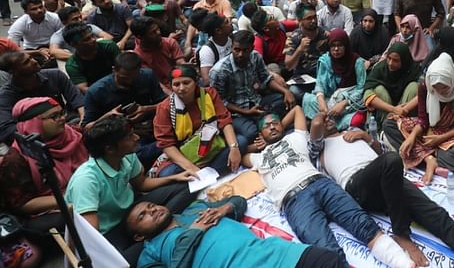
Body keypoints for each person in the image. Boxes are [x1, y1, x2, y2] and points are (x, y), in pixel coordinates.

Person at [308, 115, 454, 268]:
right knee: (391, 160)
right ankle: (401, 233)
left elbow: (381, 152)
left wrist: (367, 138)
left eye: (329, 118)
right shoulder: (319, 149)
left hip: (388, 178)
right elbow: (317, 125)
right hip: (359, 187)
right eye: (323, 119)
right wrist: (322, 113)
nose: (326, 120)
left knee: (438, 217)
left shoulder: (353, 133)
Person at [244, 107, 415, 268]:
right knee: (326, 251)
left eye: (276, 123)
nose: (272, 127)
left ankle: (404, 263)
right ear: (260, 134)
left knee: (363, 224)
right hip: (294, 201)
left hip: (321, 183)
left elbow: (297, 110)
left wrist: (275, 126)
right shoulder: (258, 158)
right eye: (267, 126)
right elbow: (240, 155)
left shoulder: (295, 137)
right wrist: (257, 145)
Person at [65, 115, 196, 264]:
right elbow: (91, 236)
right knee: (121, 262)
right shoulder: (86, 180)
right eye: (129, 137)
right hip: (110, 230)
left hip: (132, 210)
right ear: (109, 148)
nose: (136, 137)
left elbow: (142, 184)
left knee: (187, 187)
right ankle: (156, 230)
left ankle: (155, 227)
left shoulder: (127, 156)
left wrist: (174, 178)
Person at [129, 195, 338, 268]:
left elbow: (238, 200)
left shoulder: (193, 208)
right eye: (143, 216)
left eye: (150, 205)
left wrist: (224, 209)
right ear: (139, 236)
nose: (153, 210)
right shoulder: (150, 254)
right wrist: (194, 233)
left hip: (274, 254)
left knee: (330, 261)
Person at [2, 97, 88, 248]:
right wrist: (69, 199)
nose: (62, 119)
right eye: (54, 116)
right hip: (53, 204)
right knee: (65, 220)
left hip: (84, 188)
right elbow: (23, 204)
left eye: (62, 113)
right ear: (33, 123)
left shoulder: (72, 134)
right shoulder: (16, 160)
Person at [383, 52, 454, 184]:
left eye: (444, 88)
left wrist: (439, 139)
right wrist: (412, 137)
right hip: (429, 131)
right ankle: (429, 160)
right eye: (435, 89)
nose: (439, 92)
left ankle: (423, 156)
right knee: (389, 124)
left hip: (453, 134)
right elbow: (423, 119)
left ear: (451, 80)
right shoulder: (425, 86)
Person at [151, 65, 242, 177]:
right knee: (167, 173)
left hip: (212, 145)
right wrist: (191, 168)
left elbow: (224, 121)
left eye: (186, 83)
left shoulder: (209, 94)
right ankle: (210, 173)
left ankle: (206, 175)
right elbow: (166, 144)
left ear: (195, 82)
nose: (181, 88)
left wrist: (234, 147)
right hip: (185, 155)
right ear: (171, 86)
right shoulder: (164, 108)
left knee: (240, 142)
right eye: (176, 84)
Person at [210, 30, 294, 148]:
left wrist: (286, 91)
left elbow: (266, 79)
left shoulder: (255, 57)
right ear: (231, 48)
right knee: (251, 134)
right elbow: (220, 102)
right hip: (235, 112)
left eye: (245, 50)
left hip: (256, 101)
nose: (240, 54)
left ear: (252, 48)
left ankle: (266, 129)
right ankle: (265, 131)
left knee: (285, 100)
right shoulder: (219, 71)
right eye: (237, 50)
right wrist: (246, 112)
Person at [0, 52, 84, 142]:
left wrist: (84, 118)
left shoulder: (55, 75)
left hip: (64, 123)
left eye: (31, 58)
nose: (34, 61)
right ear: (14, 72)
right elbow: (6, 129)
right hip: (34, 137)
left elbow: (77, 99)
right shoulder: (6, 96)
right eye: (26, 62)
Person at [301, 29, 366, 129]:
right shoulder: (326, 60)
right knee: (308, 100)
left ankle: (326, 123)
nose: (336, 49)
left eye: (340, 45)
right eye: (333, 45)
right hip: (328, 99)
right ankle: (328, 122)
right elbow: (320, 84)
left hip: (348, 102)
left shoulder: (357, 62)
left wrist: (343, 104)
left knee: (355, 118)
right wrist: (322, 101)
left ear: (346, 46)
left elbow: (361, 88)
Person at [363, 42, 420, 124]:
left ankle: (404, 126)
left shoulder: (414, 69)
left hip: (405, 110)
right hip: (386, 111)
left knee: (414, 87)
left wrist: (403, 110)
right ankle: (386, 126)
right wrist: (393, 109)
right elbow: (367, 93)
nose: (390, 63)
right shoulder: (380, 69)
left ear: (404, 60)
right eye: (389, 58)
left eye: (395, 60)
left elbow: (424, 92)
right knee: (379, 89)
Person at [284, 6, 329, 101]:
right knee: (294, 90)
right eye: (309, 18)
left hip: (324, 75)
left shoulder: (325, 33)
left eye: (314, 17)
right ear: (300, 20)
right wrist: (299, 49)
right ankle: (315, 101)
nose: (313, 21)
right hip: (304, 79)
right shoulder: (294, 38)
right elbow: (288, 66)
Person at [63, 22, 121, 93]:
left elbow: (124, 68)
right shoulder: (73, 65)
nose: (93, 40)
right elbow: (84, 89)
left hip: (118, 83)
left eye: (92, 36)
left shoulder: (108, 46)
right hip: (98, 92)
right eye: (86, 39)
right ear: (74, 44)